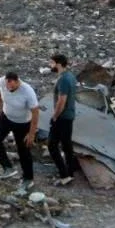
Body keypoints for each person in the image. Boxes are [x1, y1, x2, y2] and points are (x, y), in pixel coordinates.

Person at [0, 71, 39, 191]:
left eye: (11, 86)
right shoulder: (2, 82)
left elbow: (36, 112)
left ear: (17, 82)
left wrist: (31, 133)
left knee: (23, 150)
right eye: (7, 85)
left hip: (23, 123)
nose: (8, 88)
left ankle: (28, 179)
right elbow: (0, 93)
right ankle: (8, 168)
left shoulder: (27, 91)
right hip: (6, 117)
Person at [47, 53, 79, 185]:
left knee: (52, 145)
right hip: (69, 115)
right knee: (66, 145)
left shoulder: (64, 80)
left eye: (52, 63)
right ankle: (70, 172)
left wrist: (54, 116)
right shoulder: (70, 76)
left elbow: (62, 101)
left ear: (58, 64)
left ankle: (64, 175)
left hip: (62, 117)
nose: (50, 65)